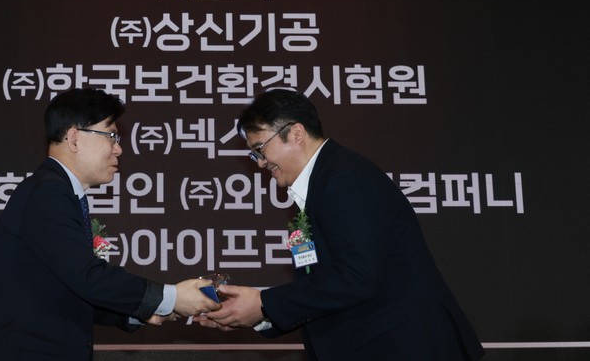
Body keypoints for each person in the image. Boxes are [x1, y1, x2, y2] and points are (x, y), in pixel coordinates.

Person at [196, 89, 485, 360]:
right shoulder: (321, 186)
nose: (260, 163)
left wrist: (264, 303)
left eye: (260, 149)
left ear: (296, 133)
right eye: (254, 154)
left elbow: (357, 277)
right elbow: (325, 288)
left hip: (405, 347)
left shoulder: (344, 178)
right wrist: (258, 314)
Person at [0, 88, 220, 360]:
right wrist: (170, 297)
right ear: (74, 138)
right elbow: (86, 276)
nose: (118, 148)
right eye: (111, 136)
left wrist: (146, 310)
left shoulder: (56, 191)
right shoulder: (48, 193)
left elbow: (66, 291)